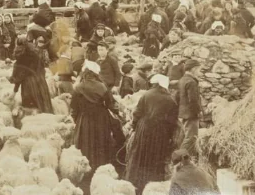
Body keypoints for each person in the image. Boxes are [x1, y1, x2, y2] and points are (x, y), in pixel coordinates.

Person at [71, 60, 123, 194]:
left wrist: (78, 121)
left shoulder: (78, 87)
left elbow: (74, 108)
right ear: (95, 73)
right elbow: (111, 105)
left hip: (85, 120)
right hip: (101, 120)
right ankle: (101, 171)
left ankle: (86, 175)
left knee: (85, 144)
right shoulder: (102, 86)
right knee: (101, 144)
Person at [124, 74, 179, 195]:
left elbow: (137, 113)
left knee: (140, 154)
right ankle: (152, 187)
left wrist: (134, 127)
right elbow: (172, 122)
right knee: (155, 156)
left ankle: (135, 185)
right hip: (160, 132)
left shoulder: (146, 95)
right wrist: (169, 137)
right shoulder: (170, 100)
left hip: (144, 129)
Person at [10, 35, 54, 114]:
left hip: (29, 86)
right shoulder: (35, 54)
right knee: (44, 104)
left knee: (31, 109)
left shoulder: (20, 57)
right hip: (41, 83)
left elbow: (19, 77)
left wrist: (14, 91)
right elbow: (42, 69)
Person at [176, 59, 202, 158]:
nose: (199, 72)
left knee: (186, 136)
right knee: (190, 138)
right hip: (191, 114)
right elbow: (193, 100)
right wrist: (198, 112)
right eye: (199, 70)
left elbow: (177, 97)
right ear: (194, 69)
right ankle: (179, 159)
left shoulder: (182, 80)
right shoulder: (191, 82)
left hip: (183, 113)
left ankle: (189, 157)